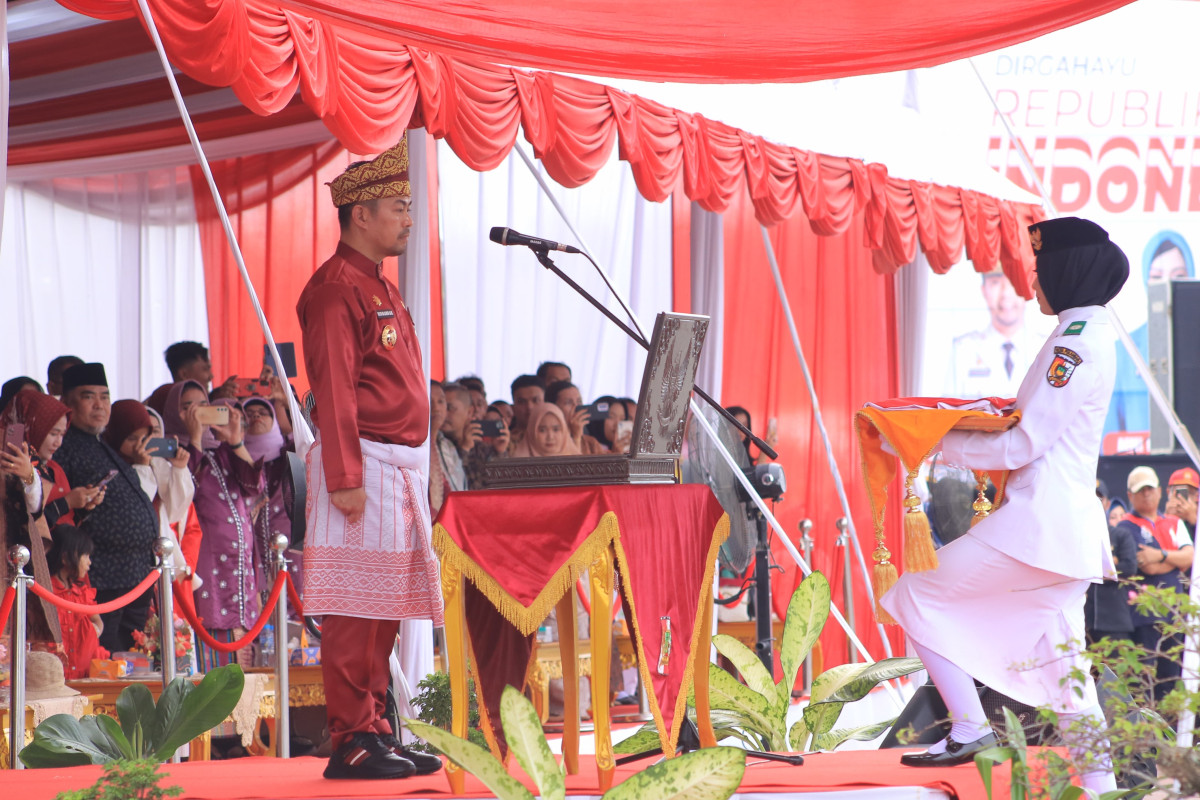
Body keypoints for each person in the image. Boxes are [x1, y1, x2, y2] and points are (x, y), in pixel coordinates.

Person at [882, 217, 1129, 793]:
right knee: (1066, 672)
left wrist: (932, 438)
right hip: (1058, 530)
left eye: (1040, 271)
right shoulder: (1085, 331)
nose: (1031, 284)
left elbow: (1025, 442)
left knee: (915, 594)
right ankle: (1102, 786)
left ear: (1067, 271)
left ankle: (969, 726)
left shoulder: (1074, 343)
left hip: (1040, 525)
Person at [297, 138, 443, 780]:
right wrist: (346, 479)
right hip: (365, 469)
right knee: (355, 609)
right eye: (398, 207)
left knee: (382, 606)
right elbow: (333, 388)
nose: (409, 218)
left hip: (399, 466)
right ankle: (351, 738)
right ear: (360, 213)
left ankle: (378, 727)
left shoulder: (377, 285)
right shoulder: (335, 289)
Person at [53, 363, 161, 652]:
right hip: (103, 576)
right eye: (89, 397)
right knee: (106, 658)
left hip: (136, 576)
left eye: (105, 396)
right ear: (67, 402)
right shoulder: (63, 447)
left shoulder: (103, 444)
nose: (100, 405)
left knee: (130, 660)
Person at [166, 383, 265, 670]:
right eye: (187, 407)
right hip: (203, 575)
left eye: (201, 406)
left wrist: (236, 442)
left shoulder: (222, 453)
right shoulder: (174, 453)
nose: (195, 413)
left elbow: (254, 486)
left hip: (239, 574)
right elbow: (184, 493)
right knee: (210, 675)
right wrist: (194, 439)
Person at [1115, 465, 1194, 702]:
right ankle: (1146, 734)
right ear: (1130, 495)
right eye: (1140, 490)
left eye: (1150, 489)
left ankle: (1169, 736)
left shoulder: (1173, 522)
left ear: (1160, 491)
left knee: (1171, 681)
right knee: (1145, 681)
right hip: (1144, 616)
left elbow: (1190, 557)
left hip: (1175, 615)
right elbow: (1145, 565)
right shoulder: (1125, 526)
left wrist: (1160, 554)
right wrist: (1174, 557)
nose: (1146, 494)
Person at [945, 270, 1038, 399]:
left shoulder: (1045, 347)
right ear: (984, 291)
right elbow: (949, 411)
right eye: (995, 283)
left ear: (1030, 288)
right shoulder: (963, 349)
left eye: (1014, 282)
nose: (1005, 294)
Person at [47, 524, 110, 679]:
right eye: (86, 555)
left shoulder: (82, 592)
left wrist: (94, 630)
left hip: (85, 673)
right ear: (66, 556)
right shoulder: (46, 590)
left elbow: (98, 620)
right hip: (54, 676)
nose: (90, 563)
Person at [1085, 486, 1137, 644]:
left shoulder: (1120, 535)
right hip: (1084, 621)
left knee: (1116, 668)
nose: (1095, 503)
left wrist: (1091, 570)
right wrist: (1110, 565)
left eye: (1099, 499)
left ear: (1107, 503)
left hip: (1115, 621)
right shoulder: (1076, 537)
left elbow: (1129, 568)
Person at [511, 403, 580, 457]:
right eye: (542, 430)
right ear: (532, 431)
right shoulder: (517, 464)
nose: (550, 437)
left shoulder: (579, 464)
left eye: (556, 429)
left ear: (564, 432)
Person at [509, 374, 545, 444]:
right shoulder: (504, 443)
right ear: (513, 407)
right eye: (522, 402)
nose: (529, 407)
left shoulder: (557, 440)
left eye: (536, 400)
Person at [1164, 467, 1198, 540]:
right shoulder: (1158, 517)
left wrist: (1195, 522)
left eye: (1190, 493)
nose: (1183, 499)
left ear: (1196, 496)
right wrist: (1166, 518)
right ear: (1168, 492)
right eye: (1179, 493)